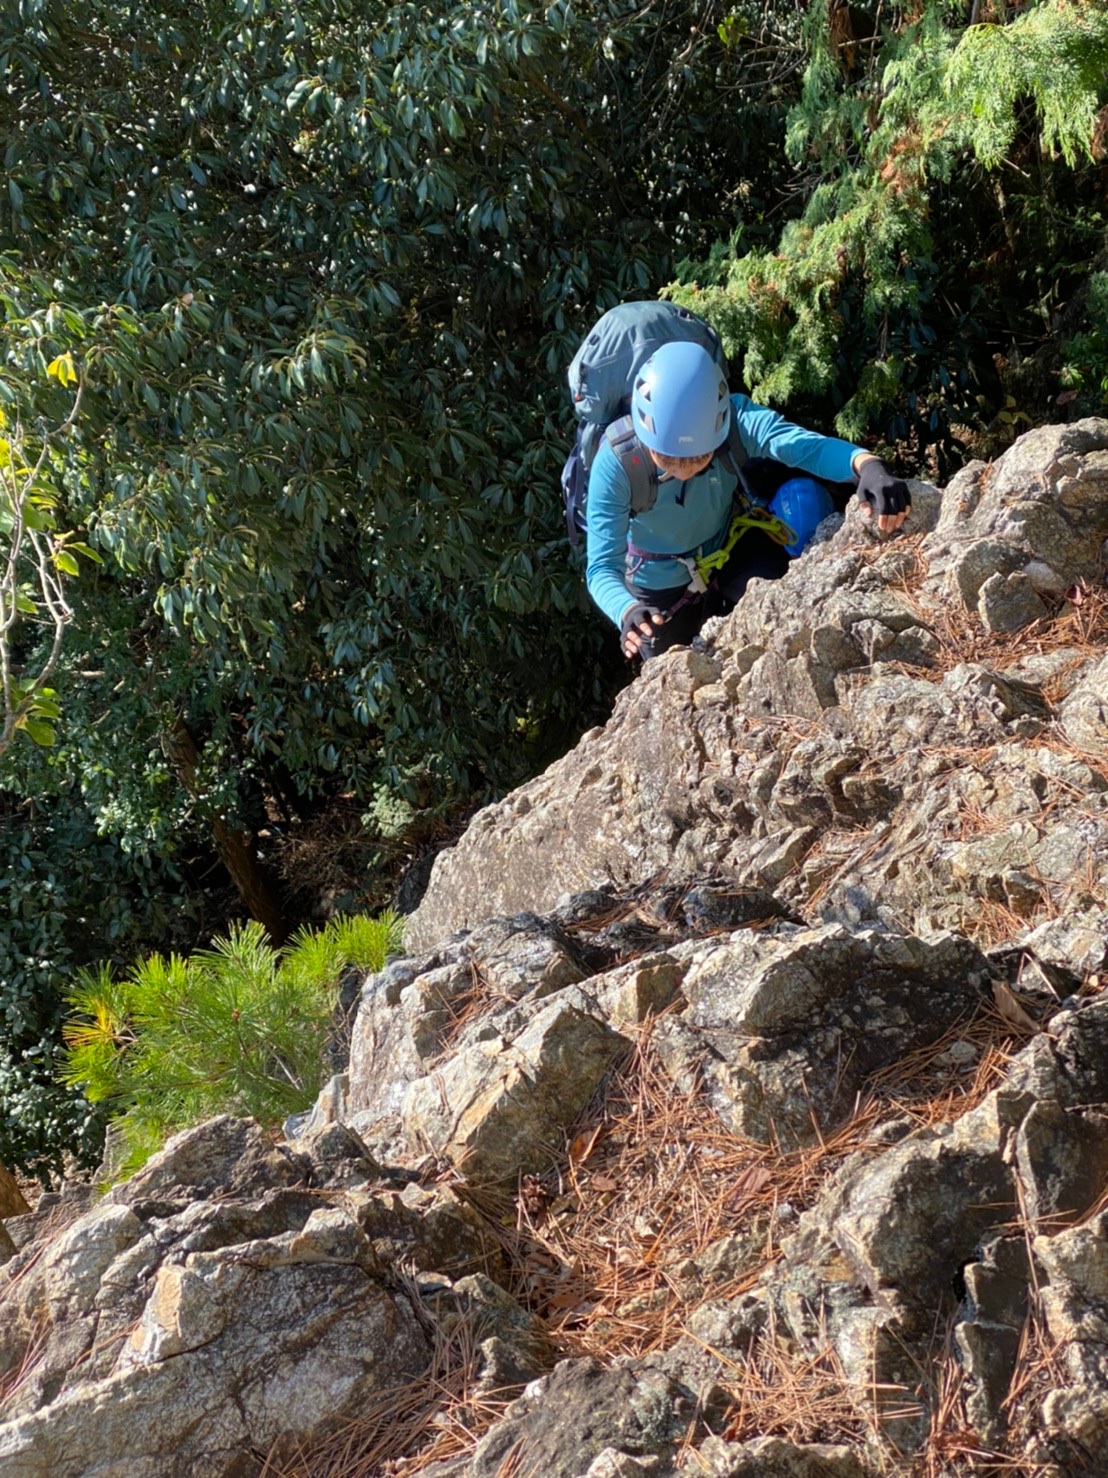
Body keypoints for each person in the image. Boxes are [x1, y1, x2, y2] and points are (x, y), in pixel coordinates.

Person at [584, 341, 911, 659]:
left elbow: (804, 447)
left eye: (698, 458)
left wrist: (865, 464)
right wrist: (626, 609)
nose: (683, 471)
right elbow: (601, 567)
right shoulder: (618, 463)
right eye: (668, 458)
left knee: (780, 618)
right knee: (671, 664)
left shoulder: (736, 422)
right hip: (658, 584)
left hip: (728, 547)